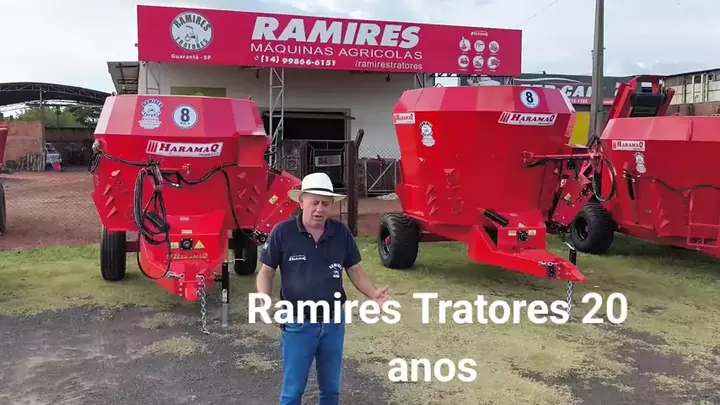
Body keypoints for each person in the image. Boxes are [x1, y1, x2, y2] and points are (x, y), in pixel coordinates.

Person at [256, 172, 391, 405]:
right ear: (301, 202)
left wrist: (373, 293)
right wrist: (264, 300)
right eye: (314, 202)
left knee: (330, 391)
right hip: (297, 324)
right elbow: (266, 271)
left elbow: (355, 269)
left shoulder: (340, 233)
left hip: (333, 323)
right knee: (293, 392)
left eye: (325, 204)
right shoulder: (283, 232)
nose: (320, 209)